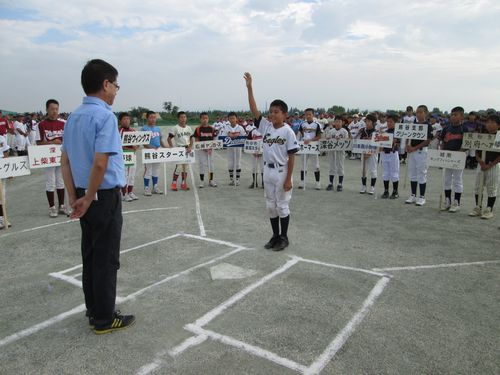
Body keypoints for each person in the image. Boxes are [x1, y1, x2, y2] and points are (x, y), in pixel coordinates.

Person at [61, 58, 135, 334]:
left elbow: (65, 162)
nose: (116, 90)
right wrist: (91, 195)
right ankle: (104, 318)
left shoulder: (73, 117)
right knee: (106, 258)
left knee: (91, 255)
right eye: (115, 85)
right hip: (101, 196)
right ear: (105, 84)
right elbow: (101, 163)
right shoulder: (105, 116)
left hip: (83, 193)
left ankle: (94, 308)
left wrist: (75, 196)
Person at [244, 72, 298, 251]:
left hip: (282, 172)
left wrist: (289, 178)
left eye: (277, 112)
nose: (272, 114)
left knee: (282, 206)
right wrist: (250, 88)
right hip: (267, 169)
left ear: (285, 114)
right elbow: (254, 109)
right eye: (271, 111)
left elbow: (292, 156)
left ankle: (284, 237)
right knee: (270, 206)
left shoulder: (288, 132)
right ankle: (275, 236)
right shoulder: (266, 126)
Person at [37, 99, 68, 217]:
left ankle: (61, 206)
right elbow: (38, 143)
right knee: (50, 182)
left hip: (61, 156)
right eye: (52, 109)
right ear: (47, 110)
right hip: (48, 157)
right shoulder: (41, 125)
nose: (54, 111)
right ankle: (52, 207)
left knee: (61, 181)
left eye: (56, 109)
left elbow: (68, 140)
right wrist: (52, 142)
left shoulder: (63, 123)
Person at [469, 114, 500, 219]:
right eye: (488, 122)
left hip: (493, 165)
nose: (489, 124)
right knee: (478, 187)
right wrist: (480, 161)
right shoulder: (482, 135)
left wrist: (490, 164)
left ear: (498, 125)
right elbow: (476, 150)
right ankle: (478, 206)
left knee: (491, 188)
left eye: (492, 122)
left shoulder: (499, 136)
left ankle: (489, 209)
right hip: (481, 164)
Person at [439, 106, 468, 212]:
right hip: (447, 157)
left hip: (458, 158)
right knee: (446, 179)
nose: (453, 117)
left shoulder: (464, 129)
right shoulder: (446, 128)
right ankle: (447, 201)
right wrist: (442, 151)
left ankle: (457, 202)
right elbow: (442, 141)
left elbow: (467, 144)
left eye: (455, 115)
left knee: (457, 180)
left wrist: (460, 153)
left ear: (461, 116)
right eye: (452, 115)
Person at [405, 105, 433, 206]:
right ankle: (413, 195)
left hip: (421, 151)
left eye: (421, 112)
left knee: (421, 174)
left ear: (425, 113)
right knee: (412, 173)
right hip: (412, 152)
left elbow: (428, 140)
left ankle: (422, 197)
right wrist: (407, 146)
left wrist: (415, 148)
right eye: (417, 112)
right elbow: (408, 136)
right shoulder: (413, 124)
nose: (418, 114)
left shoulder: (428, 125)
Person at [142, 111, 167, 195]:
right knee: (148, 170)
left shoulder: (158, 129)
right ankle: (146, 188)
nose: (153, 119)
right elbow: (143, 142)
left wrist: (166, 147)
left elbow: (160, 140)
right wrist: (151, 147)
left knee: (156, 170)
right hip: (148, 152)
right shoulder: (144, 128)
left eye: (154, 117)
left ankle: (155, 187)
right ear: (147, 118)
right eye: (151, 117)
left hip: (158, 151)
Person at [168, 111, 194, 191]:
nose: (183, 119)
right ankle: (174, 183)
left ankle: (183, 183)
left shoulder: (189, 128)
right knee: (179, 167)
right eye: (181, 117)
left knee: (185, 168)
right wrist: (172, 148)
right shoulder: (175, 128)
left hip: (187, 149)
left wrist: (190, 147)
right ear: (178, 118)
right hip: (179, 149)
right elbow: (169, 139)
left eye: (184, 117)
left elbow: (191, 138)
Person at [299, 108, 322, 189]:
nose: (308, 116)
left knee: (316, 165)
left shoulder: (317, 125)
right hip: (304, 146)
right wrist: (304, 140)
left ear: (313, 115)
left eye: (310, 114)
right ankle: (302, 181)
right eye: (306, 114)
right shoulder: (302, 124)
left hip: (313, 146)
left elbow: (319, 136)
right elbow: (301, 133)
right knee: (303, 164)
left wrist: (311, 140)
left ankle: (318, 182)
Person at [118, 112, 139, 202]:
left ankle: (130, 192)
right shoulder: (119, 131)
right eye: (125, 119)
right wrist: (129, 148)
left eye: (128, 119)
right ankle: (124, 194)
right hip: (124, 156)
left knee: (132, 174)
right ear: (120, 120)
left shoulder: (133, 131)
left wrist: (136, 146)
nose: (127, 121)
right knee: (125, 174)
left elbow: (138, 142)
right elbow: (118, 145)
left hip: (133, 155)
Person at [324, 117, 349, 191]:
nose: (337, 123)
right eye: (336, 122)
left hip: (340, 151)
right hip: (332, 151)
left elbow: (347, 141)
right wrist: (328, 139)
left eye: (339, 122)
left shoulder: (344, 131)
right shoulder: (331, 131)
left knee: (340, 166)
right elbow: (327, 139)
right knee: (332, 166)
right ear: (334, 123)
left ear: (342, 123)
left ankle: (340, 184)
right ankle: (330, 183)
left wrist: (341, 139)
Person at [221, 112, 246, 186]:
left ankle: (237, 179)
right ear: (228, 119)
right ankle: (232, 179)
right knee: (230, 163)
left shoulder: (240, 127)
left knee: (238, 163)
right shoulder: (226, 127)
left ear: (236, 119)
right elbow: (223, 137)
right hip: (230, 148)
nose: (232, 120)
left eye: (233, 118)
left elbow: (244, 137)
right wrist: (229, 134)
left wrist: (236, 135)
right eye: (230, 118)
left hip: (238, 148)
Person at [380, 114, 400, 199]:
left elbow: (398, 143)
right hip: (384, 153)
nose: (389, 123)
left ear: (396, 122)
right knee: (385, 173)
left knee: (394, 173)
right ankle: (386, 190)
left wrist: (394, 141)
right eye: (387, 121)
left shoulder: (398, 132)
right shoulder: (385, 132)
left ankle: (395, 191)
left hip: (393, 153)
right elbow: (380, 143)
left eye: (391, 121)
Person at [358, 114, 377, 194]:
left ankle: (372, 187)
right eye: (366, 121)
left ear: (373, 122)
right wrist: (363, 153)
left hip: (373, 154)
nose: (367, 123)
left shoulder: (376, 132)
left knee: (373, 170)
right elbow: (360, 143)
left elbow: (377, 146)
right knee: (363, 170)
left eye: (369, 121)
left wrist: (369, 154)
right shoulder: (363, 131)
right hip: (364, 153)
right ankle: (363, 186)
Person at [245, 118, 264, 188]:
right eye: (257, 123)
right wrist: (252, 151)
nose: (258, 124)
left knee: (263, 168)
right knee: (254, 167)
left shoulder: (265, 131)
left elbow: (267, 142)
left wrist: (263, 151)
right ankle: (254, 182)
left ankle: (263, 182)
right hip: (254, 152)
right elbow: (248, 141)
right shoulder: (252, 131)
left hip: (263, 152)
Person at [0, 132, 10, 229]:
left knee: (2, 195)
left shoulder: (1, 138)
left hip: (2, 169)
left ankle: (3, 218)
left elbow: (6, 152)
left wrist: (9, 170)